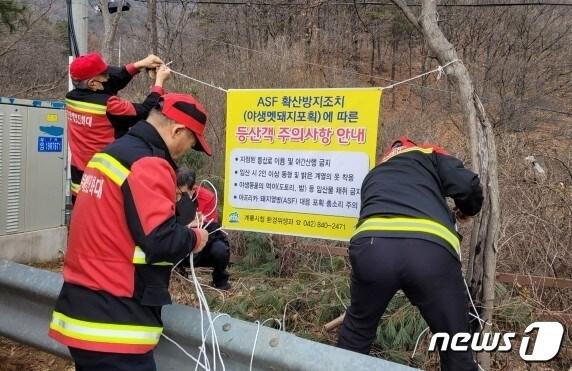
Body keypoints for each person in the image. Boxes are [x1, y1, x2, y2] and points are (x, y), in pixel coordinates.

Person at [49, 90, 213, 371]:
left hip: (82, 310)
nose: (187, 150)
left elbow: (118, 228)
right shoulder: (149, 163)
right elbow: (160, 240)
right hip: (116, 322)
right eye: (191, 142)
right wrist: (197, 237)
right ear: (177, 130)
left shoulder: (109, 153)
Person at [337, 136, 483, 371]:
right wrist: (467, 209)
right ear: (412, 146)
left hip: (372, 248)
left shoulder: (375, 172)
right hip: (428, 250)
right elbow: (467, 185)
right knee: (456, 346)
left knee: (356, 333)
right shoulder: (428, 153)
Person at [66, 52, 168, 203]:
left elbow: (114, 80)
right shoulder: (109, 105)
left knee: (83, 218)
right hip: (105, 175)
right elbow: (144, 111)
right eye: (105, 75)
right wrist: (159, 83)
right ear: (93, 83)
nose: (109, 77)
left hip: (80, 176)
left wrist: (140, 64)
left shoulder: (71, 98)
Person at [175, 167, 231, 290]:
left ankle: (220, 280)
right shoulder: (167, 195)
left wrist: (197, 226)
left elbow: (212, 229)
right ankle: (177, 272)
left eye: (182, 194)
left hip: (201, 243)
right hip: (178, 242)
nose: (177, 198)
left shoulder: (207, 197)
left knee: (220, 248)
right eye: (176, 193)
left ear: (193, 188)